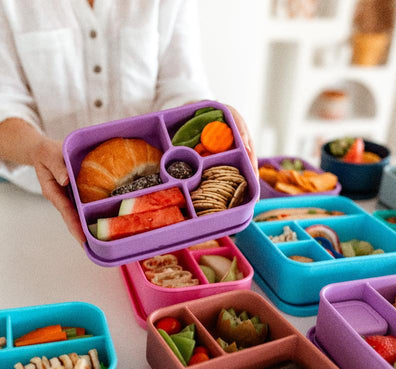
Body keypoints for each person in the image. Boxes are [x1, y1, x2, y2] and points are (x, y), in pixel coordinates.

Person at [0, 0, 257, 245]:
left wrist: (208, 116)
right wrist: (36, 149)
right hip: (29, 204)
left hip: (159, 196)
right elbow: (5, 102)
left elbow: (180, 84)